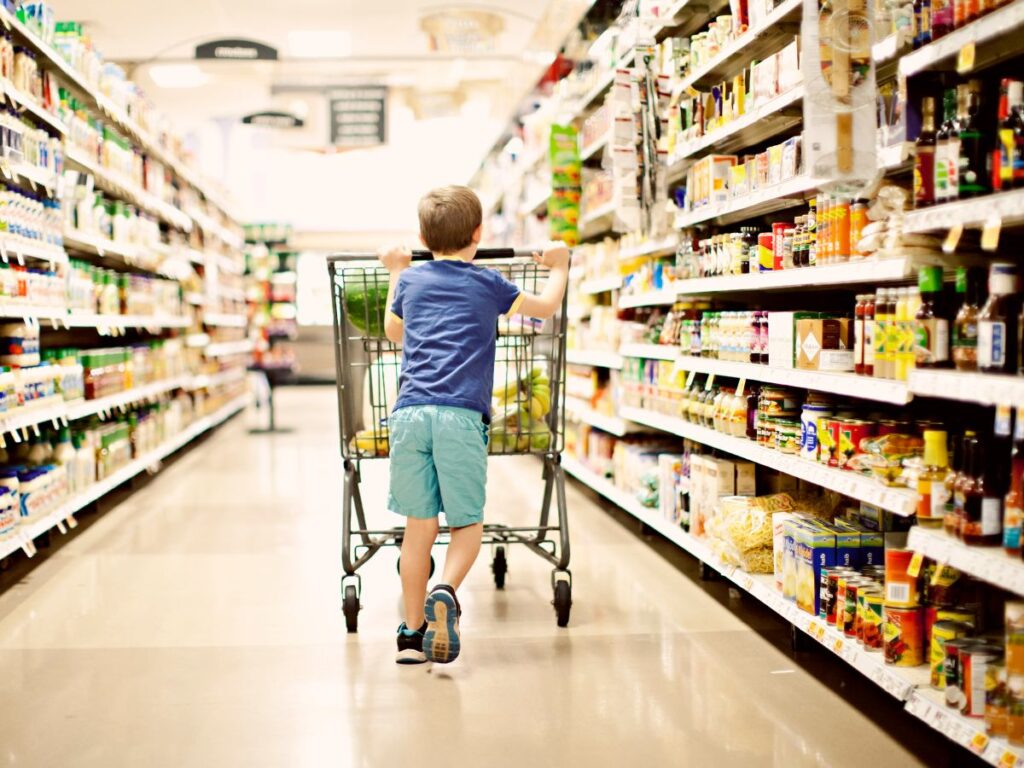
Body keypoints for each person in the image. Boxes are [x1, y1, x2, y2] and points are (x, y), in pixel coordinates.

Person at [378, 185, 569, 665]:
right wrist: (561, 265)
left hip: (409, 415)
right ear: (479, 234)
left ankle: (412, 633)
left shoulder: (412, 281)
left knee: (418, 526)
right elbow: (545, 310)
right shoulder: (489, 284)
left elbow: (393, 330)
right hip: (461, 416)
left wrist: (397, 270)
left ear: (423, 236)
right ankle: (446, 588)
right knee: (466, 522)